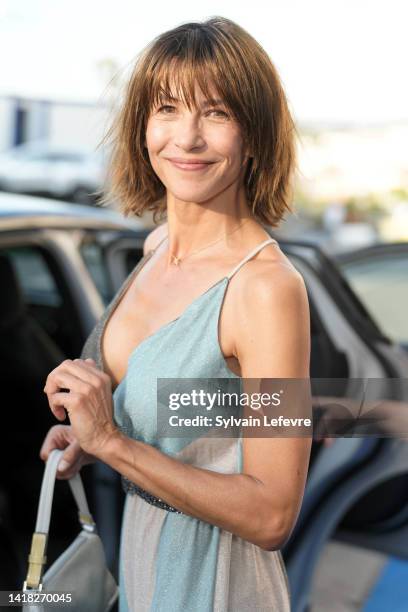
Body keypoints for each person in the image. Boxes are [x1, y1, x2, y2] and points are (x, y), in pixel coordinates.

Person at [40, 16, 312, 611]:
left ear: (255, 134)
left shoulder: (265, 290)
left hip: (215, 580)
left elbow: (270, 513)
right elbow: (186, 415)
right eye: (167, 108)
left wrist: (113, 442)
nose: (185, 139)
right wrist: (92, 433)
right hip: (142, 552)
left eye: (216, 113)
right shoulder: (156, 247)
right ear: (142, 126)